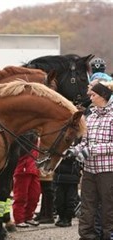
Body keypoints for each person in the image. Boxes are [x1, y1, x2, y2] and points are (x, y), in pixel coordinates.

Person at [69, 81, 113, 240]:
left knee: (108, 206)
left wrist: (92, 150)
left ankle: (109, 235)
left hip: (108, 171)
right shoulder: (91, 116)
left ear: (103, 96)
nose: (91, 97)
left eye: (93, 95)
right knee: (87, 205)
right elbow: (85, 142)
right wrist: (74, 150)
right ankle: (87, 235)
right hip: (89, 170)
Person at [12, 131, 41, 228]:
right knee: (21, 196)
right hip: (22, 170)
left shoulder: (36, 134)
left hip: (34, 170)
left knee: (34, 196)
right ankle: (19, 219)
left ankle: (28, 217)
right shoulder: (24, 135)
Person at [53, 153, 82, 227]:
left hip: (72, 177)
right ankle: (61, 217)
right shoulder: (59, 145)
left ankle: (67, 218)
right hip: (60, 176)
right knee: (59, 199)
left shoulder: (76, 146)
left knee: (70, 200)